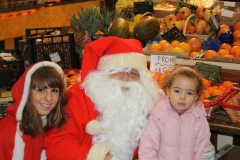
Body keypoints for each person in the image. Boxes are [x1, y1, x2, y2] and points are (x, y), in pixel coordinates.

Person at [46, 36, 215, 160]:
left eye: (133, 73)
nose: (126, 78)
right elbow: (57, 144)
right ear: (103, 73)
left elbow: (180, 117)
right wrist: (97, 156)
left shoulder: (150, 100)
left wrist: (201, 146)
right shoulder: (79, 96)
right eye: (118, 71)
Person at [139, 66, 212, 160]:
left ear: (196, 97)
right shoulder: (157, 115)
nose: (182, 97)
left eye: (189, 93)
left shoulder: (198, 117)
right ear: (168, 91)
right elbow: (148, 147)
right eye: (177, 91)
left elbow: (202, 148)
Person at [0, 61, 67, 160]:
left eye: (54, 91)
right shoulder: (7, 133)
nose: (49, 98)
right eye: (41, 90)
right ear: (26, 93)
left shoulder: (57, 125)